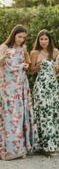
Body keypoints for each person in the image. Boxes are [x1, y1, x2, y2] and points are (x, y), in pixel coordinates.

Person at [30, 29, 59, 156]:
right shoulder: (34, 53)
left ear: (49, 40)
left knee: (52, 112)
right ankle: (44, 146)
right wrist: (38, 65)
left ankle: (51, 144)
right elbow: (31, 71)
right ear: (38, 40)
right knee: (43, 113)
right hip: (40, 86)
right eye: (41, 39)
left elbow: (58, 71)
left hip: (52, 85)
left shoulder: (55, 52)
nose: (44, 41)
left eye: (46, 39)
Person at [0, 25, 33, 160]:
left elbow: (28, 65)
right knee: (7, 116)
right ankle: (7, 150)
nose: (21, 40)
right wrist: (3, 56)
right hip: (7, 86)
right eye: (19, 37)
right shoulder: (4, 47)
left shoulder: (23, 49)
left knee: (18, 117)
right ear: (13, 35)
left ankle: (19, 149)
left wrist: (25, 66)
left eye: (24, 38)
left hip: (20, 85)